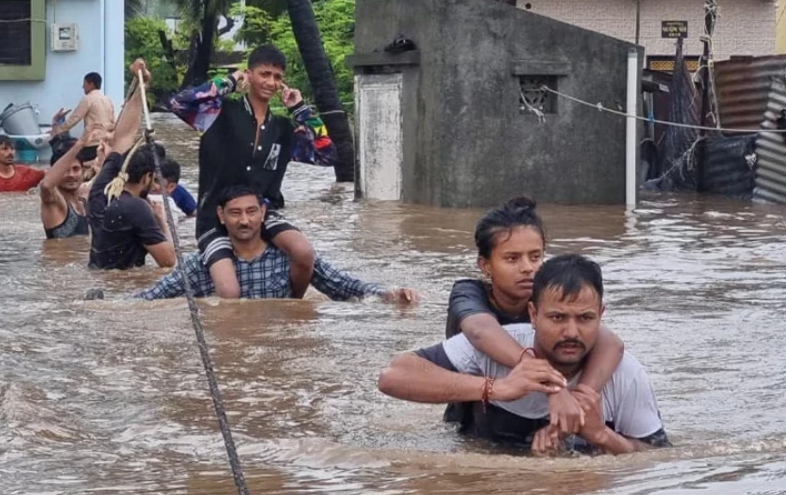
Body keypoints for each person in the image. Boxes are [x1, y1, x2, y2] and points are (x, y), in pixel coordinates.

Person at [377, 254, 669, 456]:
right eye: (557, 318)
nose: (571, 332)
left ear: (601, 316)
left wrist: (602, 436)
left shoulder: (625, 374)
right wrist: (498, 388)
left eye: (585, 318)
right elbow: (394, 376)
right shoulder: (497, 349)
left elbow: (660, 460)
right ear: (532, 314)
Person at [442, 197, 626, 452]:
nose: (528, 268)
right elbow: (480, 331)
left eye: (535, 256)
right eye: (512, 259)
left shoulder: (549, 296)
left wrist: (579, 397)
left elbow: (610, 342)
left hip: (541, 412)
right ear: (485, 265)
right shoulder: (469, 293)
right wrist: (550, 382)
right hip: (475, 416)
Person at [166, 44, 336, 300]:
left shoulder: (283, 129)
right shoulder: (218, 113)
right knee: (229, 291)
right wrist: (229, 81)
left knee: (303, 252)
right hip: (215, 219)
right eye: (264, 74)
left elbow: (327, 154)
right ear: (249, 74)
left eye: (277, 77)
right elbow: (178, 103)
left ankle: (291, 306)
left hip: (263, 216)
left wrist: (300, 109)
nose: (271, 82)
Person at [119, 184, 420, 303]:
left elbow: (343, 286)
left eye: (251, 212)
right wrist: (107, 306)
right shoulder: (203, 265)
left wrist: (389, 295)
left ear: (263, 213)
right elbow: (150, 299)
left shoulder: (287, 257)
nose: (245, 220)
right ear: (221, 216)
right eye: (235, 213)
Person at [88, 60, 176, 270]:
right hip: (122, 285)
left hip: (97, 274)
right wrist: (162, 221)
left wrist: (141, 86)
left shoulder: (99, 191)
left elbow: (124, 136)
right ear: (146, 177)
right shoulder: (137, 207)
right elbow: (169, 261)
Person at [40, 124, 98, 239]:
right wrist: (80, 144)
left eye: (76, 169)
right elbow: (46, 185)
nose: (71, 175)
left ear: (82, 171)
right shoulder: (54, 201)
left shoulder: (84, 197)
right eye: (65, 170)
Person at [48, 71, 114, 148]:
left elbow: (75, 118)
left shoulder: (88, 99)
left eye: (84, 84)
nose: (83, 87)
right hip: (106, 143)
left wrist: (57, 130)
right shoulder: (108, 100)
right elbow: (113, 122)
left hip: (92, 142)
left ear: (91, 84)